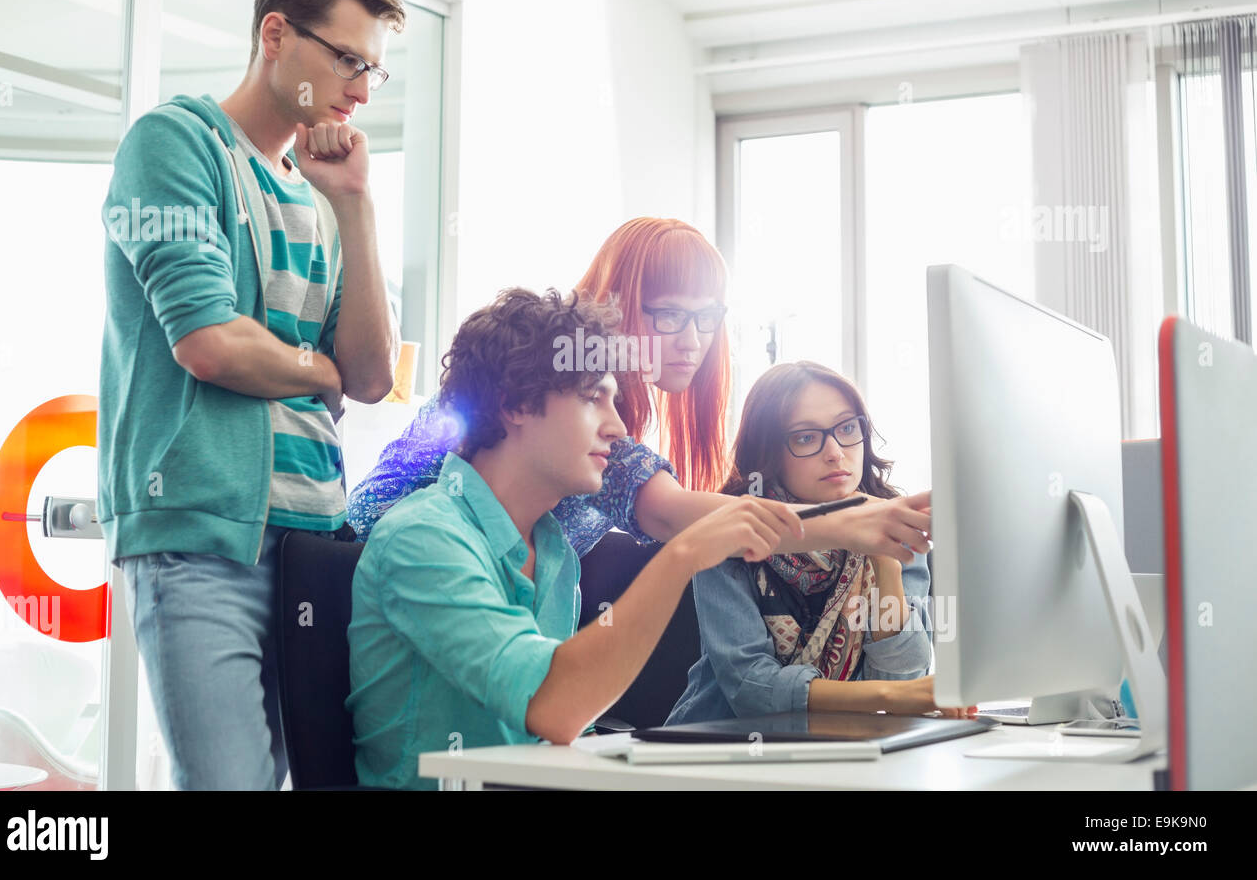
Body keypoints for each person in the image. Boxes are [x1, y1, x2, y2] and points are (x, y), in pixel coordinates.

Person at [97, 0, 403, 789]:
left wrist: (354, 202)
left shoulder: (316, 192)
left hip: (314, 543)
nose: (362, 89)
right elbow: (208, 344)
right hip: (200, 537)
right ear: (276, 34)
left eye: (374, 70)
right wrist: (319, 370)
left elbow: (372, 373)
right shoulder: (176, 144)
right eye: (348, 59)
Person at [346, 288, 805, 789]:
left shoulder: (553, 551)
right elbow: (555, 707)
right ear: (515, 404)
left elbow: (564, 740)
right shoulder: (423, 536)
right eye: (593, 399)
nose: (619, 427)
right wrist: (682, 556)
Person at [347, 217, 934, 574]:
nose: (693, 341)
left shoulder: (594, 417)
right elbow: (670, 512)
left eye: (707, 319)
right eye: (670, 315)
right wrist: (850, 522)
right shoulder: (559, 388)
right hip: (387, 595)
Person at [667, 361, 975, 723]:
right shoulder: (728, 532)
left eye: (847, 428)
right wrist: (887, 695)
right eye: (806, 437)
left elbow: (902, 676)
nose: (835, 452)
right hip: (717, 749)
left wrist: (886, 563)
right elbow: (752, 690)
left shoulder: (895, 525)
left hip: (849, 746)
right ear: (769, 452)